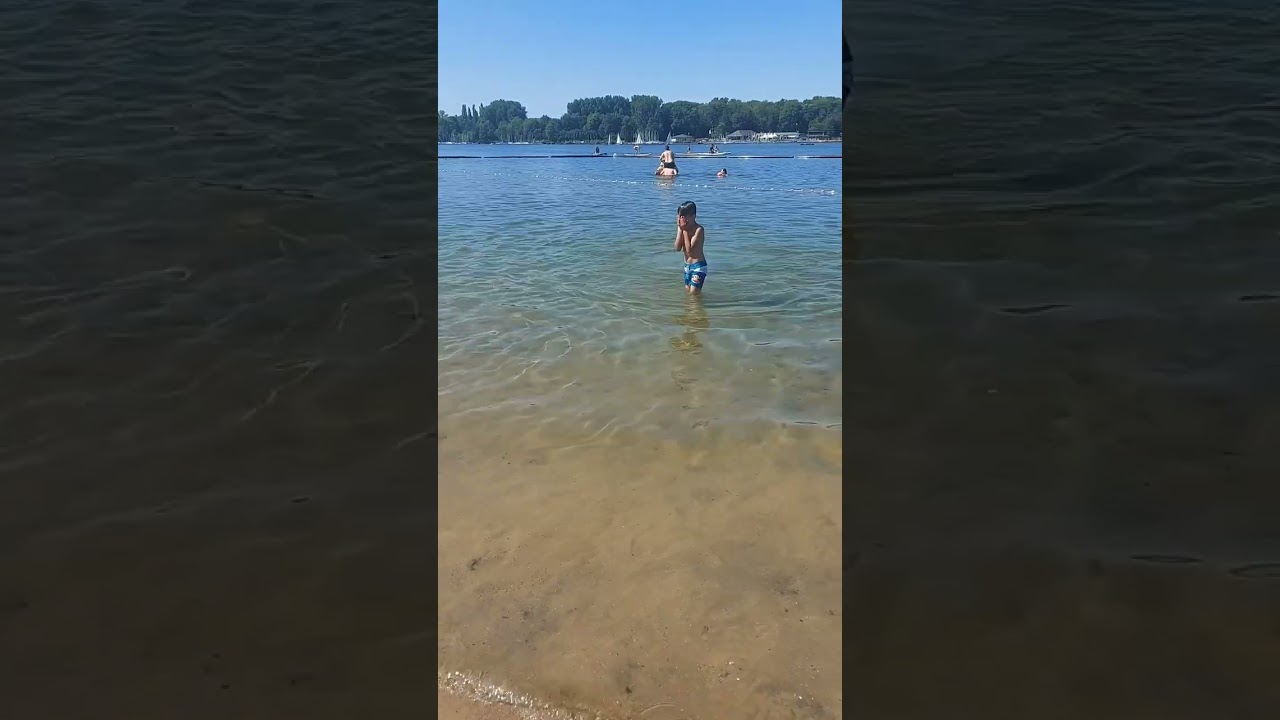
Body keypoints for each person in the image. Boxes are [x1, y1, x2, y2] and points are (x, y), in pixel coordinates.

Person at [672, 201, 707, 293]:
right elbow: (677, 248)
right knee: (688, 293)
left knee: (693, 294)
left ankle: (695, 307)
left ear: (693, 216)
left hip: (698, 266)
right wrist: (680, 230)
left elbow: (689, 250)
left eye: (684, 216)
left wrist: (685, 230)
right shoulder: (682, 229)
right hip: (687, 266)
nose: (682, 219)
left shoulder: (699, 230)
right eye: (680, 216)